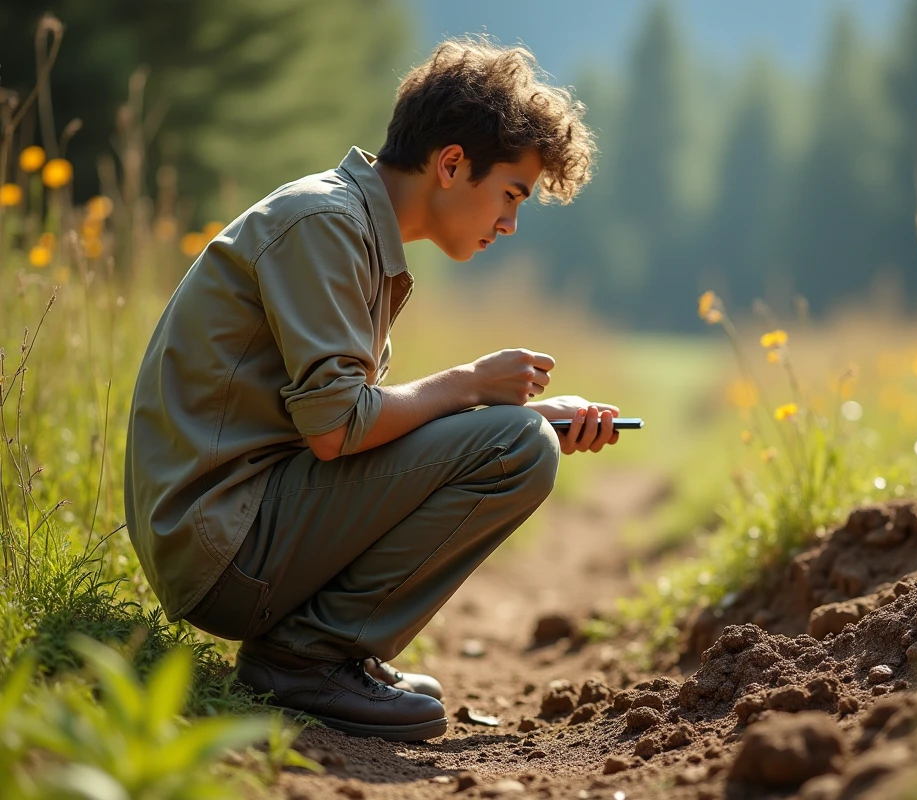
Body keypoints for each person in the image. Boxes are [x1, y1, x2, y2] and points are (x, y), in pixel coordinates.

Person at [124, 36, 616, 742]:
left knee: (522, 439)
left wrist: (525, 416)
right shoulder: (326, 224)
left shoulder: (350, 225)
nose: (510, 223)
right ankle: (303, 658)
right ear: (451, 164)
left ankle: (325, 648)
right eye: (510, 194)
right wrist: (476, 389)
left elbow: (351, 425)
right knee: (519, 448)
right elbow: (337, 430)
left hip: (239, 526)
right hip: (220, 547)